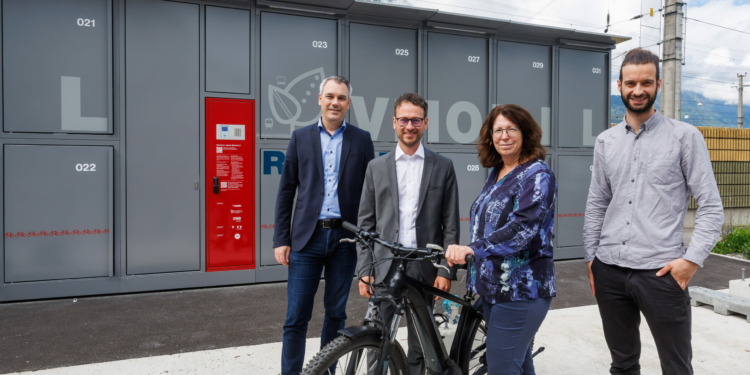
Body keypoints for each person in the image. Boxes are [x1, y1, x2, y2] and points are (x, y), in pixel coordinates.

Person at [582, 48, 723, 375]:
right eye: (630, 83)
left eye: (646, 82)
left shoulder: (685, 137)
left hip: (661, 272)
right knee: (622, 364)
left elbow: (711, 206)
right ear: (619, 85)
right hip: (610, 270)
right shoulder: (606, 141)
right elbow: (597, 203)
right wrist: (592, 259)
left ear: (658, 84)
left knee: (676, 367)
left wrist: (691, 261)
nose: (638, 90)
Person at [273, 76, 375, 375]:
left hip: (345, 240)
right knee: (296, 317)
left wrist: (367, 239)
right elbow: (286, 191)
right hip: (307, 238)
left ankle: (325, 371)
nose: (335, 102)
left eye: (341, 98)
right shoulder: (300, 137)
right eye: (330, 96)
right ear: (319, 99)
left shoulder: (361, 139)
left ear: (348, 103)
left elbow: (369, 193)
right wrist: (282, 238)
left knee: (336, 314)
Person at [445, 104, 557, 375]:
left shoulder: (538, 174)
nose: (504, 136)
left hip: (521, 291)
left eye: (511, 129)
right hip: (493, 289)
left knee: (502, 368)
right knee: (518, 364)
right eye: (498, 130)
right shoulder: (497, 173)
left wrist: (473, 249)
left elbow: (521, 229)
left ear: (525, 132)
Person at [357, 92, 459, 375]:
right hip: (384, 266)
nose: (410, 126)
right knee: (377, 338)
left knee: (420, 343)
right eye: (404, 119)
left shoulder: (443, 167)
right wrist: (365, 268)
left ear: (425, 123)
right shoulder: (376, 168)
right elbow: (366, 225)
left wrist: (445, 270)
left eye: (416, 120)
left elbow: (450, 225)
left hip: (424, 267)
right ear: (394, 122)